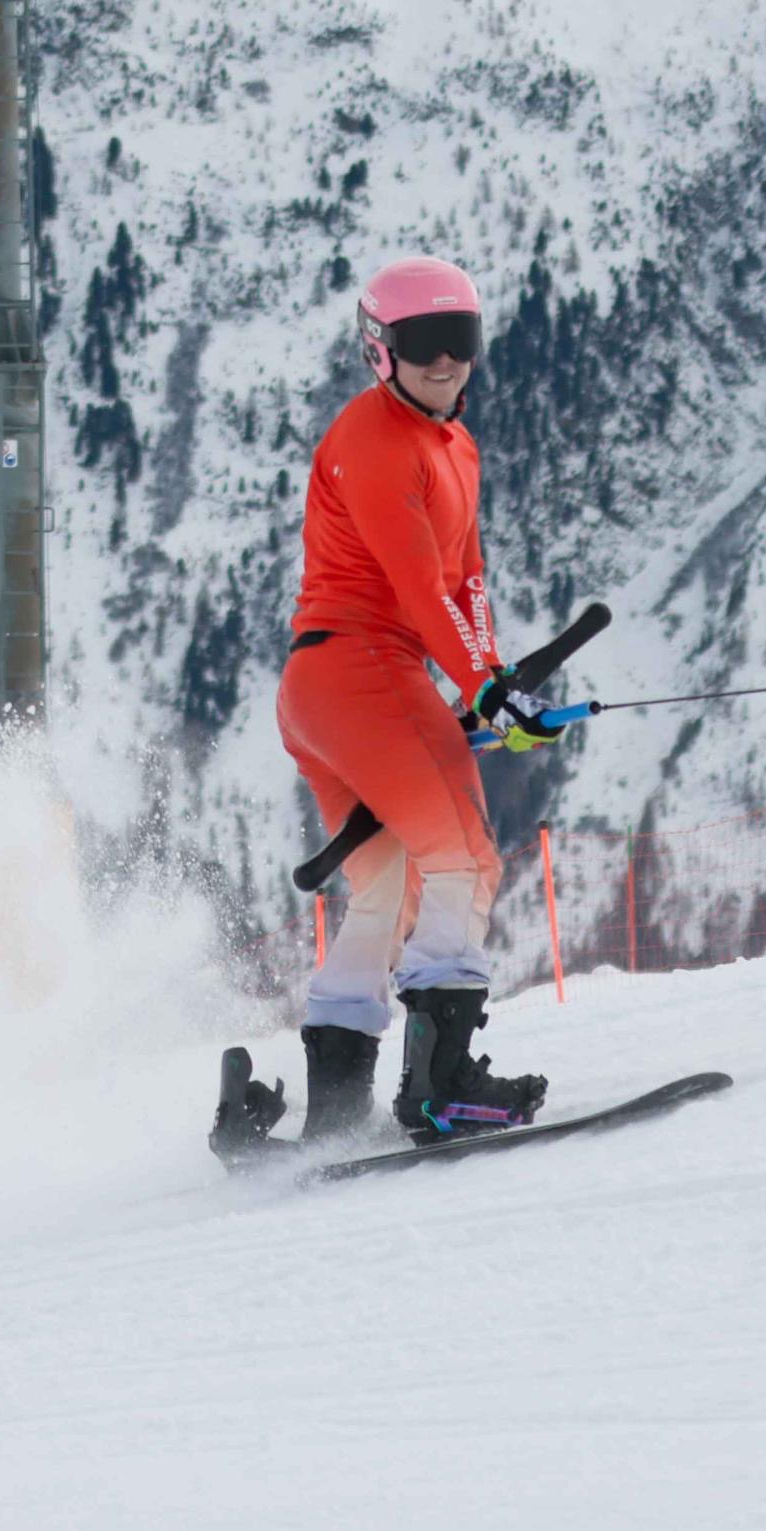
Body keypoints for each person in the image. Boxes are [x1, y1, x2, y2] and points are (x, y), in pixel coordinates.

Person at [239, 256, 572, 1146]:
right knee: (465, 858)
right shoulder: (378, 441)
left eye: (460, 337)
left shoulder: (454, 444)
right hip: (365, 671)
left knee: (386, 887)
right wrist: (483, 687)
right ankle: (441, 1085)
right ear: (380, 350)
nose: (445, 360)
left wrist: (487, 682)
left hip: (329, 691)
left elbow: (465, 586)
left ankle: (336, 1111)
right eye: (423, 342)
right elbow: (419, 587)